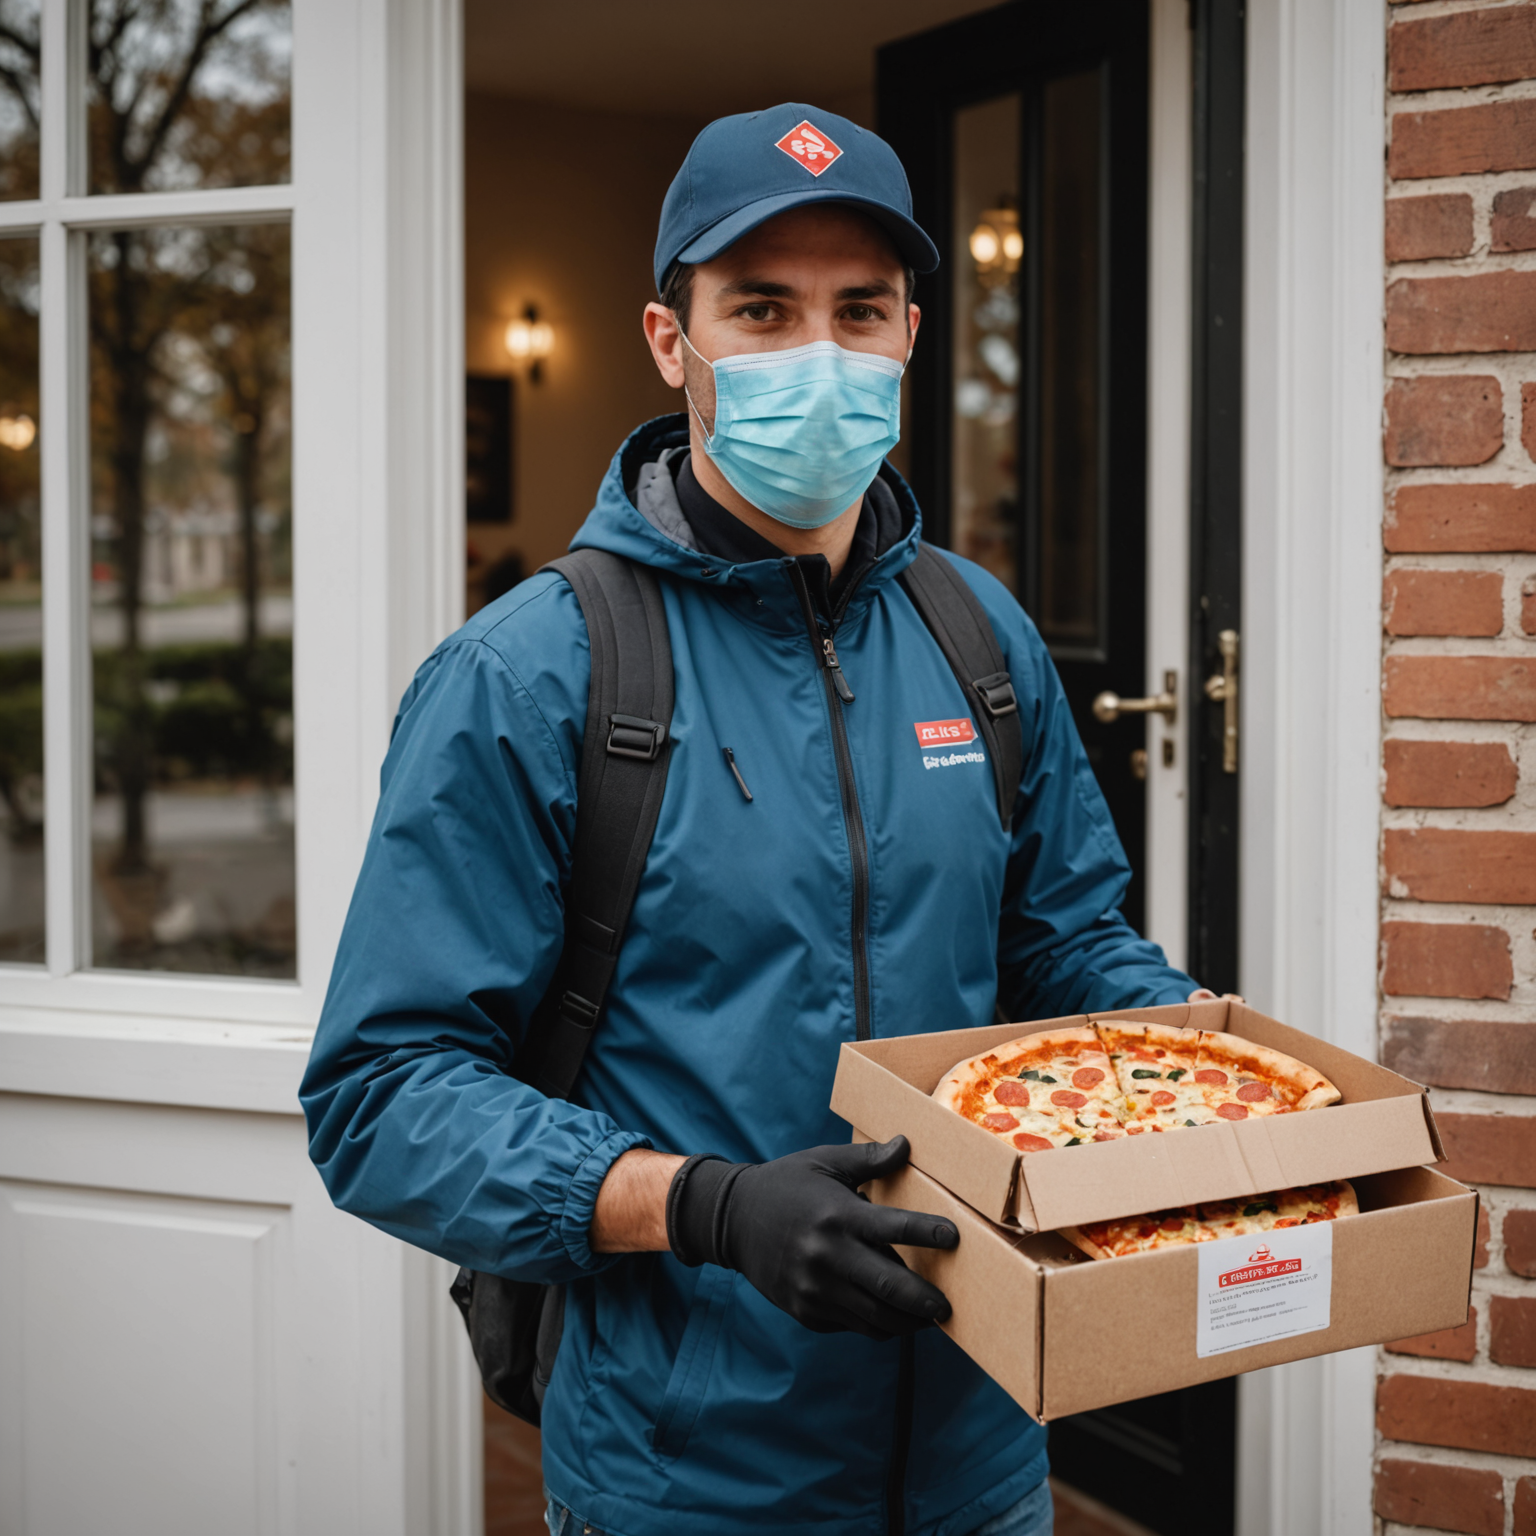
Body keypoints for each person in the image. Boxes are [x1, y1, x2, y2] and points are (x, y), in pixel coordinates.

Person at [302, 102, 1211, 1536]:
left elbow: (1067, 952)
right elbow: (383, 1100)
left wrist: (1206, 1087)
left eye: (860, 311)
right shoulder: (530, 675)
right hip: (688, 1474)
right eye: (763, 310)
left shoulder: (981, 637)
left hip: (981, 1461)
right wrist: (700, 1206)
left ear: (913, 333)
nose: (820, 356)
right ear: (672, 342)